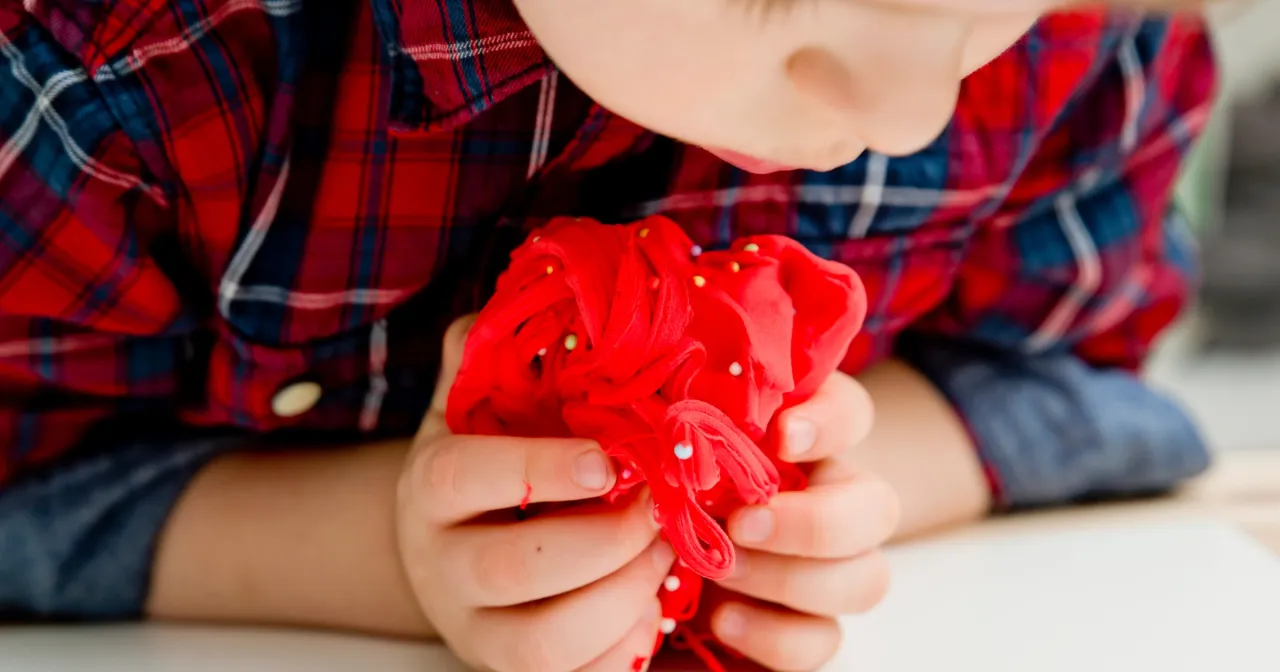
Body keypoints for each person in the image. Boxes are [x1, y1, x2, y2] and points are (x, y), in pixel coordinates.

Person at [0, 0, 1214, 670]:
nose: (905, 111)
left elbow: (1075, 390)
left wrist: (813, 484)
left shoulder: (1085, 42)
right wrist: (390, 552)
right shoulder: (126, 74)